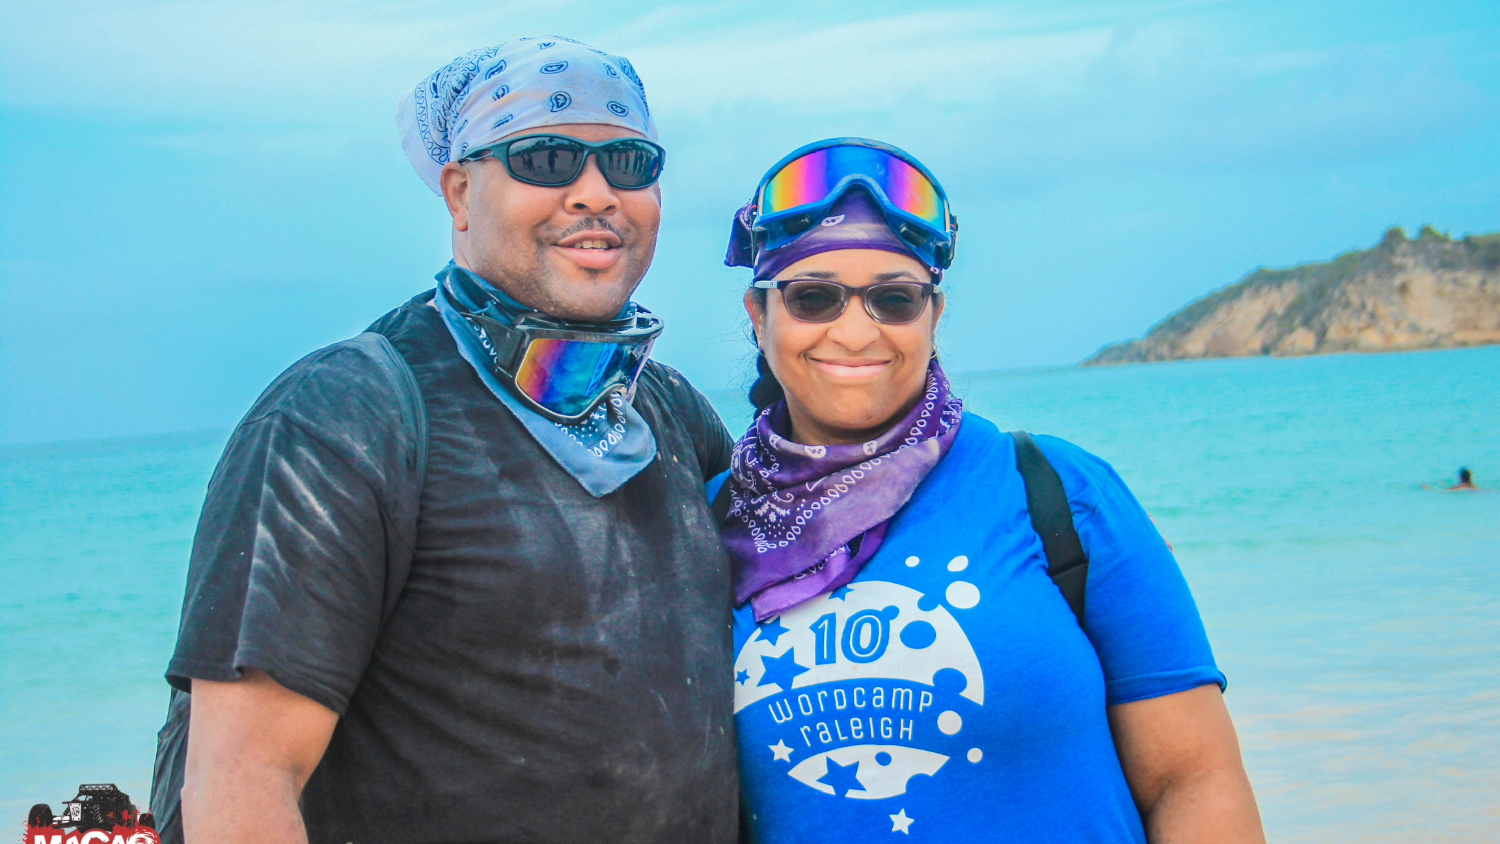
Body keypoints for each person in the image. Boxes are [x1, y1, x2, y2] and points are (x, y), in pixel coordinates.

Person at [149, 38, 739, 844]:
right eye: (546, 158)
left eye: (630, 163)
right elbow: (240, 782)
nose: (595, 193)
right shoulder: (345, 413)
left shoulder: (672, 412)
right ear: (460, 193)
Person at [711, 138, 1265, 842]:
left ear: (934, 315)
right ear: (760, 317)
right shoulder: (710, 526)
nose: (854, 332)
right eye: (814, 298)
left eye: (893, 299)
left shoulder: (1056, 492)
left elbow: (1195, 781)